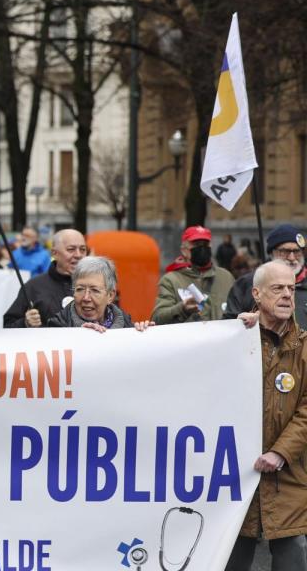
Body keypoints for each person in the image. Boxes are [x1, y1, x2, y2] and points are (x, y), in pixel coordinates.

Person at [227, 261, 307, 570]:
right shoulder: (235, 339)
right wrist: (232, 332)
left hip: (288, 476)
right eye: (278, 288)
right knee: (230, 558)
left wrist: (281, 452)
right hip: (234, 474)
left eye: (291, 288)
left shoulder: (303, 348)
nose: (288, 294)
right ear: (257, 294)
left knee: (292, 556)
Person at [224, 224, 307, 325]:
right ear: (271, 253)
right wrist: (240, 323)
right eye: (285, 251)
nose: (292, 257)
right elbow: (228, 326)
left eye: (297, 251)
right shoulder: (247, 283)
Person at [3, 229, 87, 328]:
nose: (78, 255)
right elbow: (8, 325)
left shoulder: (96, 285)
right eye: (71, 249)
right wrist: (25, 323)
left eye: (82, 249)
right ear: (54, 253)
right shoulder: (33, 286)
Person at [151, 225, 234, 324]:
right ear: (184, 250)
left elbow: (238, 309)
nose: (202, 248)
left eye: (205, 244)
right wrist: (182, 309)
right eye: (197, 244)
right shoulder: (170, 280)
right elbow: (157, 319)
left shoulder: (226, 277)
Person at [46, 256, 153, 331]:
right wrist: (78, 337)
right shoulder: (56, 327)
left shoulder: (128, 327)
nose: (86, 298)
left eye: (95, 290)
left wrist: (144, 333)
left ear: (110, 296)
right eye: (80, 289)